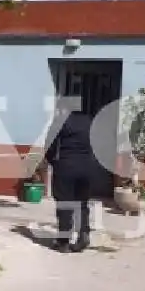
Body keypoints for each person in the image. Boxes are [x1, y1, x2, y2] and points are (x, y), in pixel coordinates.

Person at [42, 100, 96, 253]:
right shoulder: (90, 121)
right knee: (82, 203)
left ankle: (63, 242)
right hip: (86, 167)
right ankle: (83, 234)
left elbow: (50, 145)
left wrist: (52, 161)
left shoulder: (61, 121)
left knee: (65, 203)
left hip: (66, 167)